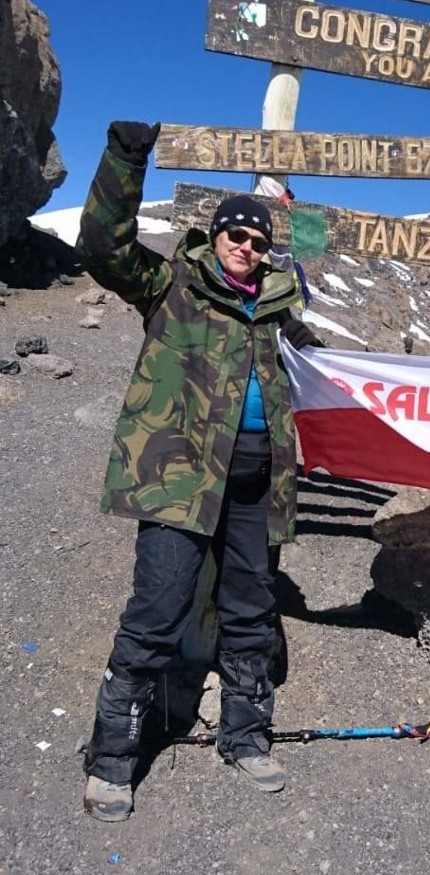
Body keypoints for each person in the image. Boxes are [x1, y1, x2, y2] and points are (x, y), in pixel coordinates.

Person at [78, 121, 322, 822]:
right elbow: (103, 246)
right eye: (236, 235)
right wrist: (127, 157)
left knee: (251, 610)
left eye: (258, 240)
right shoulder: (172, 284)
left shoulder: (278, 309)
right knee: (156, 608)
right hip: (179, 477)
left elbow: (331, 370)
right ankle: (113, 759)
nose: (247, 247)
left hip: (255, 484)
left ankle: (246, 736)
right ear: (214, 236)